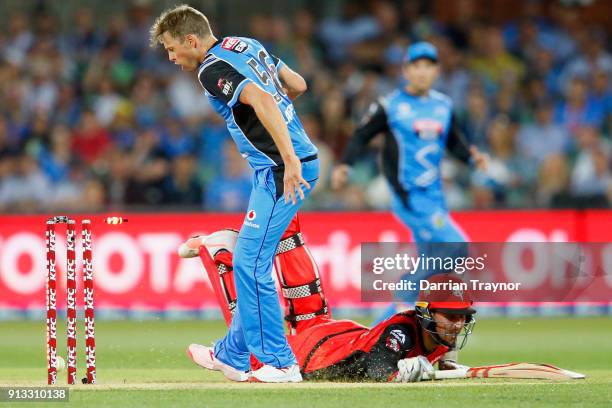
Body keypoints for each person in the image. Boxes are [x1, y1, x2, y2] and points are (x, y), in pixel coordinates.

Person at [150, 5, 319, 382]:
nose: (171, 57)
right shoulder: (244, 44)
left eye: (172, 49)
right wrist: (285, 125)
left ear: (191, 40)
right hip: (275, 168)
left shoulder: (211, 70)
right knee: (248, 260)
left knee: (250, 262)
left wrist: (288, 157)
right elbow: (297, 84)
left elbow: (262, 99)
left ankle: (281, 363)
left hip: (283, 170)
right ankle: (231, 354)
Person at [179, 224, 476, 382]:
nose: (458, 323)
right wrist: (405, 372)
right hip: (311, 356)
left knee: (308, 302)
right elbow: (378, 369)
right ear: (426, 315)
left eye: (462, 317)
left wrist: (437, 363)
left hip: (334, 335)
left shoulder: (438, 338)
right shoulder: (401, 333)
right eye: (451, 316)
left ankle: (254, 234)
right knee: (254, 343)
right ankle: (223, 256)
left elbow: (425, 356)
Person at [331, 42, 488, 321]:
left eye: (429, 66)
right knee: (457, 247)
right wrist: (345, 165)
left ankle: (384, 330)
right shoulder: (390, 106)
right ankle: (406, 291)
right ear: (406, 70)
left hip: (436, 197)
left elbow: (453, 142)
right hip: (410, 198)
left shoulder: (443, 105)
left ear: (437, 70)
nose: (423, 72)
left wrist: (471, 157)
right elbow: (360, 135)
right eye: (417, 66)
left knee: (433, 264)